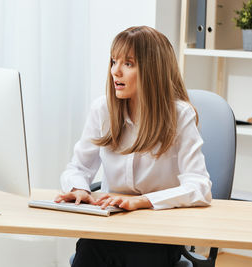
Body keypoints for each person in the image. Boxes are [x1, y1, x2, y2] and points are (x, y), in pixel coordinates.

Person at [54, 26, 212, 267]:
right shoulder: (102, 110)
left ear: (152, 71)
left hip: (158, 236)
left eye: (128, 64)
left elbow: (200, 187)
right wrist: (79, 189)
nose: (115, 71)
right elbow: (77, 168)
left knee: (133, 255)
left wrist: (145, 200)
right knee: (90, 245)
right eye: (113, 61)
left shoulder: (180, 116)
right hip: (110, 229)